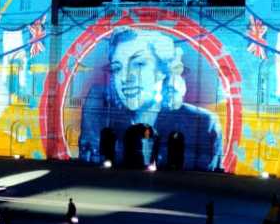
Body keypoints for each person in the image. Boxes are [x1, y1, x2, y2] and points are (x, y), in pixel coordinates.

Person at [77, 28, 222, 170]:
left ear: (162, 71)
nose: (126, 77)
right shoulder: (101, 113)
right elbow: (90, 156)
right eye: (117, 68)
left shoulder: (203, 123)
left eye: (139, 64)